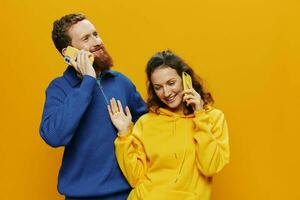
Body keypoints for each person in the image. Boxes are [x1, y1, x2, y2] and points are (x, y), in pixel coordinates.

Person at [39, 13, 147, 200]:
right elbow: (54, 136)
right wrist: (88, 80)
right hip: (81, 196)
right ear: (68, 52)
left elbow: (150, 126)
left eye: (96, 34)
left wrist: (128, 131)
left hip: (128, 194)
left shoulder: (120, 82)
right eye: (86, 38)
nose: (97, 41)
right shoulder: (59, 88)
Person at [108, 50, 230, 200]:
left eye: (171, 83)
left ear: (186, 79)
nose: (166, 92)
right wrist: (124, 135)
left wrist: (199, 114)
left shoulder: (213, 118)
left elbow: (210, 166)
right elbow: (135, 178)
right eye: (158, 87)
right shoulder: (146, 123)